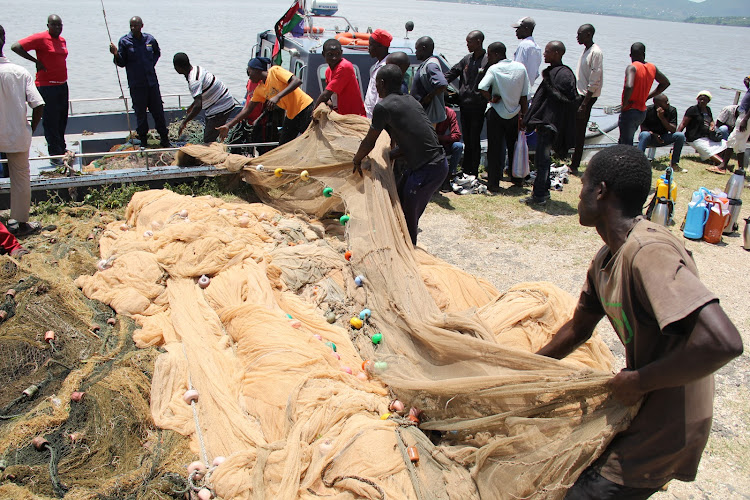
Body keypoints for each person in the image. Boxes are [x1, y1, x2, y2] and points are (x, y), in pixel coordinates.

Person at [536, 144, 743, 500]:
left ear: (600, 191)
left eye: (583, 183)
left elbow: (723, 342)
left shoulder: (648, 253)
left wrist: (639, 380)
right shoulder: (607, 258)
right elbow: (578, 329)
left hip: (668, 421)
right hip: (644, 404)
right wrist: (529, 368)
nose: (579, 192)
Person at [352, 64, 447, 246]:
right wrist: (389, 155)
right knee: (397, 202)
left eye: (376, 83)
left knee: (407, 216)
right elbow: (412, 140)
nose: (376, 87)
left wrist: (357, 160)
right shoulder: (411, 100)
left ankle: (407, 253)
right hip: (432, 165)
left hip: (428, 169)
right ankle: (397, 245)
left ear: (381, 83)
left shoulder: (384, 107)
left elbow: (369, 141)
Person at [0, 24, 45, 237]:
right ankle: (18, 222)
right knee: (20, 177)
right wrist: (30, 129)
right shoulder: (20, 72)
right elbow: (39, 104)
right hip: (17, 134)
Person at [522, 41, 577, 205]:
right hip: (547, 122)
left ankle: (539, 195)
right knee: (542, 159)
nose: (544, 55)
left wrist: (542, 120)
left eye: (547, 52)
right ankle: (543, 189)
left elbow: (560, 104)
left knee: (542, 160)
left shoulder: (563, 75)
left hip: (549, 124)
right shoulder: (557, 73)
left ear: (557, 53)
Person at [218, 57, 313, 145]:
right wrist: (229, 125)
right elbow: (248, 110)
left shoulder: (275, 71)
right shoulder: (259, 89)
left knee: (309, 140)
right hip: (292, 114)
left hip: (305, 107)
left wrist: (278, 96)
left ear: (257, 70)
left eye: (249, 72)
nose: (249, 77)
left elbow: (297, 81)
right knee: (283, 144)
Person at [12, 15, 68, 164]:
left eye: (59, 25)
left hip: (62, 85)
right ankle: (55, 155)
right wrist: (36, 61)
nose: (57, 28)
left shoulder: (62, 40)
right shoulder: (41, 38)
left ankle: (62, 149)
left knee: (62, 119)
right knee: (51, 121)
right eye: (54, 25)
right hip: (47, 86)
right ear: (48, 25)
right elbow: (16, 47)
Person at [109, 16, 170, 148]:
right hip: (137, 85)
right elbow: (121, 63)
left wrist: (150, 64)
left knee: (158, 111)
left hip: (152, 83)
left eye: (136, 25)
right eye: (131, 25)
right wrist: (115, 54)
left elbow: (157, 53)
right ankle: (143, 140)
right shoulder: (125, 41)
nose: (133, 28)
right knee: (140, 113)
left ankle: (164, 138)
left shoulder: (150, 39)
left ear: (142, 25)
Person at [478, 41, 529, 191]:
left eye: (489, 54)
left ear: (496, 54)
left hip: (496, 113)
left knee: (494, 148)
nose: (488, 57)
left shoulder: (494, 69)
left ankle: (494, 182)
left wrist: (491, 98)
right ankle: (517, 178)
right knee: (514, 147)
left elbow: (482, 87)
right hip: (514, 113)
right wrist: (524, 116)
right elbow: (524, 95)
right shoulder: (520, 68)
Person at [444, 31, 490, 178]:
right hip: (465, 105)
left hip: (478, 105)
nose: (467, 45)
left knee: (474, 138)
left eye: (469, 42)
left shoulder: (488, 60)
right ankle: (465, 169)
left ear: (478, 41)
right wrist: (438, 84)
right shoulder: (467, 59)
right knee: (466, 138)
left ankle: (473, 170)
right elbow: (452, 73)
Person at [173, 52, 235, 144]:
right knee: (210, 132)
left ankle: (215, 155)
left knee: (208, 140)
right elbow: (200, 95)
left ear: (178, 68)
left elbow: (198, 106)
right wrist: (192, 105)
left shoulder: (194, 80)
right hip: (223, 100)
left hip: (221, 106)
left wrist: (184, 122)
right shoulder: (196, 69)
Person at [618, 43, 669, 145]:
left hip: (630, 110)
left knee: (626, 143)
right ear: (644, 54)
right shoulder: (652, 67)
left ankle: (628, 160)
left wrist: (624, 104)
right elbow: (665, 83)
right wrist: (647, 97)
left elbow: (629, 86)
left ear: (630, 55)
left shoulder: (632, 68)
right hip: (642, 112)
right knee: (626, 140)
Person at [571, 24, 603, 173]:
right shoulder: (586, 50)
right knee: (575, 129)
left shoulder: (595, 52)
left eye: (580, 34)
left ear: (589, 34)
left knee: (580, 131)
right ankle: (572, 160)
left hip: (586, 97)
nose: (577, 37)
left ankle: (575, 164)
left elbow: (594, 79)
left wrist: (584, 103)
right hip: (580, 94)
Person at [313, 39, 366, 117]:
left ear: (341, 53)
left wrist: (314, 112)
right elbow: (330, 97)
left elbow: (325, 95)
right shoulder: (328, 71)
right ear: (323, 54)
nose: (334, 58)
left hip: (353, 117)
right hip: (339, 115)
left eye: (337, 54)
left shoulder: (344, 67)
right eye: (330, 54)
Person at [677, 91, 726, 168]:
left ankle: (716, 161)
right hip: (694, 138)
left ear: (708, 101)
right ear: (697, 99)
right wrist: (677, 135)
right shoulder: (692, 109)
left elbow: (711, 120)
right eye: (700, 99)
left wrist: (712, 125)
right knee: (708, 151)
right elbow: (683, 123)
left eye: (705, 100)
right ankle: (723, 165)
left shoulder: (708, 109)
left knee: (725, 144)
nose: (702, 101)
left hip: (706, 136)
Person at [637, 94, 686, 171]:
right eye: (665, 102)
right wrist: (654, 135)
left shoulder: (672, 110)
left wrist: (662, 117)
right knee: (644, 134)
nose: (668, 103)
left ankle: (674, 164)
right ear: (657, 104)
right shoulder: (647, 110)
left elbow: (673, 130)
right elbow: (643, 128)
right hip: (649, 137)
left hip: (663, 138)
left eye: (667, 101)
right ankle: (638, 162)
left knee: (680, 135)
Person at [411, 36, 449, 126]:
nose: (415, 52)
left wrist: (428, 97)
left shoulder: (431, 65)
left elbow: (442, 84)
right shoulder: (426, 64)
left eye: (417, 49)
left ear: (423, 49)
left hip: (427, 115)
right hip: (421, 114)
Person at [717, 76, 750, 173]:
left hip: (746, 116)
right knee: (741, 143)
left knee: (732, 139)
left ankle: (722, 166)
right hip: (745, 114)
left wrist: (745, 119)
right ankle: (741, 169)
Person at [364, 29, 392, 119]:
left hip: (375, 117)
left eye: (371, 45)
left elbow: (381, 97)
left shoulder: (385, 68)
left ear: (380, 47)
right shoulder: (378, 64)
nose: (369, 48)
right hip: (369, 114)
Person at [435, 106, 463, 190]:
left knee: (458, 146)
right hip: (429, 144)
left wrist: (440, 137)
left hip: (441, 142)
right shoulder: (428, 110)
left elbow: (457, 134)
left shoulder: (449, 112)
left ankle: (448, 176)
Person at [511, 17, 542, 86]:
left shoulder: (524, 45)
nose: (516, 31)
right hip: (528, 88)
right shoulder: (537, 48)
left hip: (519, 88)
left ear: (526, 29)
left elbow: (518, 69)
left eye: (518, 28)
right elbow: (535, 73)